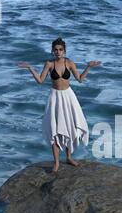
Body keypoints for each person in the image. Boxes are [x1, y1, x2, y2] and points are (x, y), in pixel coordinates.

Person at [18, 37, 101, 173]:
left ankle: (68, 157)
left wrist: (88, 67)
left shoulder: (70, 63)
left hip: (68, 97)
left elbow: (79, 79)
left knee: (70, 126)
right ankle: (56, 162)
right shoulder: (49, 64)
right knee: (54, 129)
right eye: (56, 50)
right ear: (52, 51)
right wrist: (30, 68)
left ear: (64, 50)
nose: (58, 52)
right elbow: (40, 80)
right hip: (55, 98)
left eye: (61, 49)